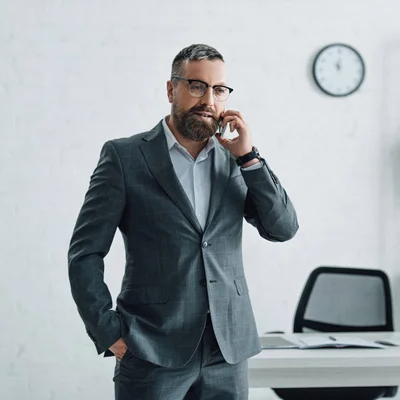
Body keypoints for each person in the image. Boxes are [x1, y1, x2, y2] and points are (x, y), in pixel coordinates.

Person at [67, 43, 299, 400]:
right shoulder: (125, 156)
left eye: (219, 89)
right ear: (171, 89)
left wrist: (249, 159)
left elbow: (282, 228)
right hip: (151, 348)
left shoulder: (233, 159)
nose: (208, 99)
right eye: (196, 86)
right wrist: (107, 331)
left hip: (228, 350)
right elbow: (85, 253)